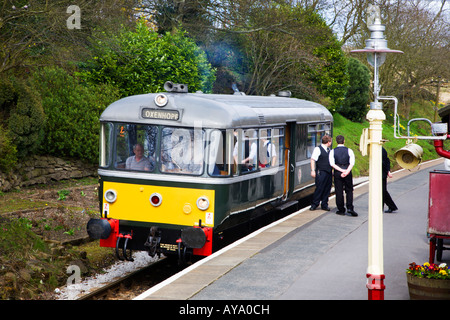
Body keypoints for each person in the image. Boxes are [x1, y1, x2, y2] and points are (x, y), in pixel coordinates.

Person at [329, 135, 358, 216]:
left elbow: (332, 164)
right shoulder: (349, 150)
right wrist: (346, 171)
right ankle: (350, 207)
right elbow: (352, 163)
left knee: (339, 191)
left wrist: (341, 171)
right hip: (347, 171)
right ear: (344, 141)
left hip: (338, 172)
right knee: (349, 190)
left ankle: (341, 209)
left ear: (336, 142)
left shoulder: (332, 151)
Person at [310, 135, 333, 211]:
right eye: (331, 141)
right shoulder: (318, 149)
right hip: (321, 172)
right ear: (328, 142)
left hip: (328, 172)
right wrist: (313, 170)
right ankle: (315, 204)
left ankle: (324, 204)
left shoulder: (329, 150)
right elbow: (313, 159)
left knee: (327, 188)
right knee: (319, 188)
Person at [382, 147, 398, 213]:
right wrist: (388, 171)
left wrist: (387, 171)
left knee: (382, 191)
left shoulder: (379, 150)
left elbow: (383, 162)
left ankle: (390, 206)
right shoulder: (382, 149)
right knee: (383, 191)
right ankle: (391, 206)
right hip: (383, 173)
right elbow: (387, 160)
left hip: (381, 173)